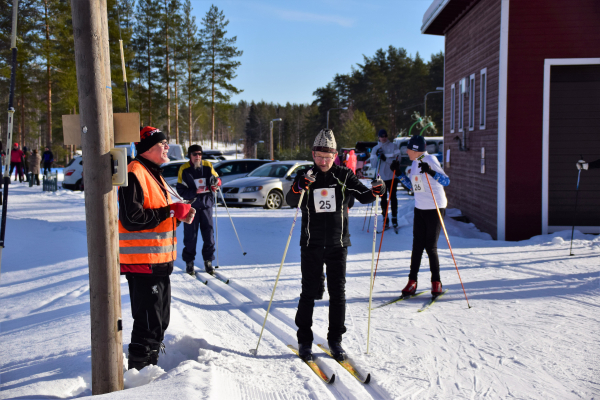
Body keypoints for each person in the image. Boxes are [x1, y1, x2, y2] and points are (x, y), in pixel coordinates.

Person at [286, 129, 385, 362]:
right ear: (313, 154)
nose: (323, 161)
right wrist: (299, 185)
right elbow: (291, 200)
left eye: (328, 157)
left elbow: (364, 195)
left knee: (337, 293)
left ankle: (335, 340)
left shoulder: (343, 174)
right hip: (311, 243)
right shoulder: (306, 175)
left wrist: (376, 190)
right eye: (319, 156)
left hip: (337, 244)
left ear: (334, 157)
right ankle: (305, 340)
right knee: (308, 292)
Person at [118, 126, 195, 371]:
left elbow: (158, 215)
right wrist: (171, 211)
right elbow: (132, 219)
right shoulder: (134, 172)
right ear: (148, 148)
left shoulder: (154, 173)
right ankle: (140, 373)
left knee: (160, 322)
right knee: (148, 323)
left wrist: (178, 214)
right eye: (162, 143)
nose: (166, 147)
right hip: (142, 263)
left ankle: (152, 363)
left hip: (159, 262)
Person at [390, 135, 450, 297]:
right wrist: (399, 173)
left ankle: (436, 282)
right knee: (417, 246)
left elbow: (446, 181)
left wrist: (430, 171)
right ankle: (412, 282)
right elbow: (413, 187)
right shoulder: (415, 163)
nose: (406, 151)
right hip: (420, 208)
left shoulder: (430, 160)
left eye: (408, 149)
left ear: (415, 150)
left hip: (435, 208)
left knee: (430, 246)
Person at [176, 144, 221, 275]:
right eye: (195, 154)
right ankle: (189, 263)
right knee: (190, 237)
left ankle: (208, 261)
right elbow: (180, 190)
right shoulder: (184, 169)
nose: (198, 157)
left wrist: (215, 183)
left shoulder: (208, 165)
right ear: (190, 155)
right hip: (191, 207)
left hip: (206, 205)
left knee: (209, 235)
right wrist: (195, 191)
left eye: (200, 154)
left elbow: (217, 180)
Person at [369, 129, 400, 231]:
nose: (384, 138)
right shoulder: (375, 148)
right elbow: (373, 164)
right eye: (382, 136)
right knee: (383, 199)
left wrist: (385, 159)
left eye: (385, 136)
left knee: (393, 197)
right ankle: (385, 219)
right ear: (379, 137)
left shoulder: (393, 146)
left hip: (392, 176)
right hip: (380, 177)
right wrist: (377, 157)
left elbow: (398, 160)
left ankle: (394, 219)